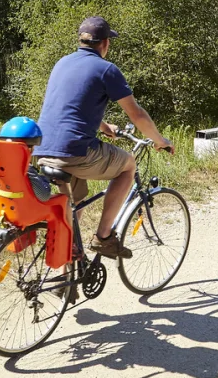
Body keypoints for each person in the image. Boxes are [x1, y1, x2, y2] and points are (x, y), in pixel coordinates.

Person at [34, 16, 174, 259]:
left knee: (73, 203)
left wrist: (102, 124)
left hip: (44, 150)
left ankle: (65, 269)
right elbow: (137, 114)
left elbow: (70, 105)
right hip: (75, 152)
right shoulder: (106, 69)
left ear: (81, 41)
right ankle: (103, 237)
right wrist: (161, 140)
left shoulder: (62, 63)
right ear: (105, 43)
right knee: (128, 165)